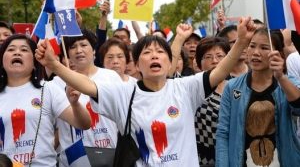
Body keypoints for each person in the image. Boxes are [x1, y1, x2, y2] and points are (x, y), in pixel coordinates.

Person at [35, 18, 255, 166]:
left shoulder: (186, 88)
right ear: (137, 65)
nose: (154, 56)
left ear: (171, 63)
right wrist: (55, 66)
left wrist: (242, 41)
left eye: (160, 52)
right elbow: (87, 85)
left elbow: (220, 71)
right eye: (147, 52)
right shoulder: (124, 94)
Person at [0, 34, 91, 166]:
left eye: (24, 50)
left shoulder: (48, 89)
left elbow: (84, 124)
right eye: (11, 49)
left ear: (34, 62)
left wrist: (75, 104)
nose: (17, 52)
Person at [216, 28, 300, 166]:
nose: (256, 52)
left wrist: (281, 77)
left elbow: (298, 108)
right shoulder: (232, 87)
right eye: (252, 45)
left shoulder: (289, 82)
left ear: (277, 54)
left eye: (264, 47)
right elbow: (223, 133)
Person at [54, 30, 122, 165]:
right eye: (73, 47)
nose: (79, 50)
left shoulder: (111, 77)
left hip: (109, 152)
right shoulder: (57, 82)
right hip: (73, 158)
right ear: (67, 54)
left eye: (84, 45)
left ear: (94, 49)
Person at [194, 37, 230, 166]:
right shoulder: (192, 88)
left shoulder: (238, 87)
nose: (215, 61)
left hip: (232, 157)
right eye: (208, 57)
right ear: (199, 63)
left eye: (220, 56)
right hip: (202, 159)